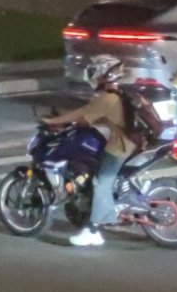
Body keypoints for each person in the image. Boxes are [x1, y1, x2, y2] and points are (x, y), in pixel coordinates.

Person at [41, 58, 133, 249]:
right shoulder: (120, 94)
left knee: (101, 182)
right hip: (134, 144)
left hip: (121, 146)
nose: (93, 77)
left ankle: (93, 231)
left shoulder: (108, 98)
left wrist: (53, 121)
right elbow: (97, 117)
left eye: (95, 73)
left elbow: (83, 115)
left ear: (103, 74)